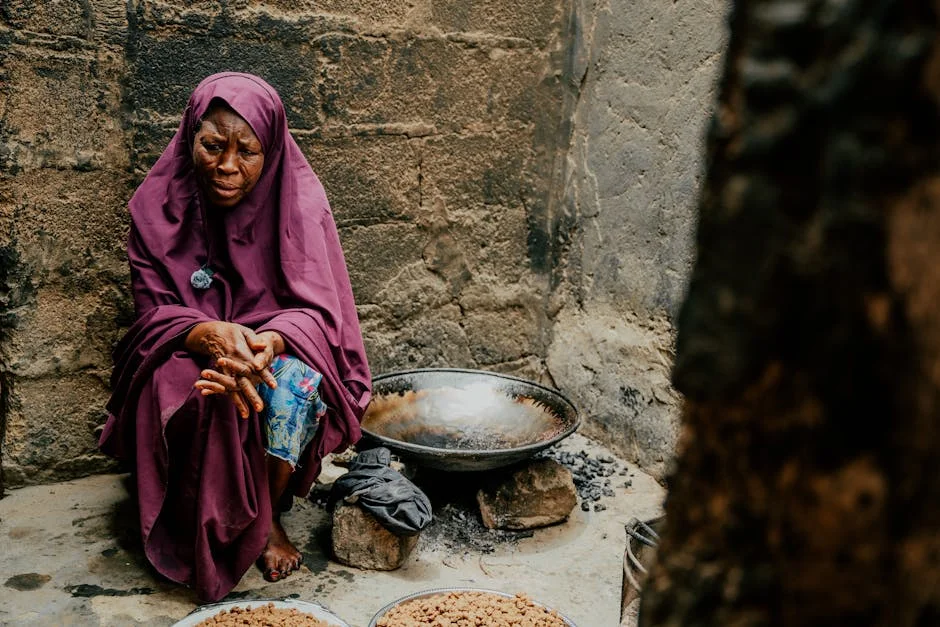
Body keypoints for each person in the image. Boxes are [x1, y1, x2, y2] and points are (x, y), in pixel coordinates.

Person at [98, 72, 372, 602]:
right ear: (187, 139)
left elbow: (320, 311)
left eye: (247, 151)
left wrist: (269, 342)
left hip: (268, 347)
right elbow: (151, 316)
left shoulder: (300, 205)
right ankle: (193, 516)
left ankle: (263, 516)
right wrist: (205, 333)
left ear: (270, 151)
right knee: (193, 390)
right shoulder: (155, 208)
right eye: (212, 146)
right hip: (185, 346)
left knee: (292, 385)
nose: (227, 166)